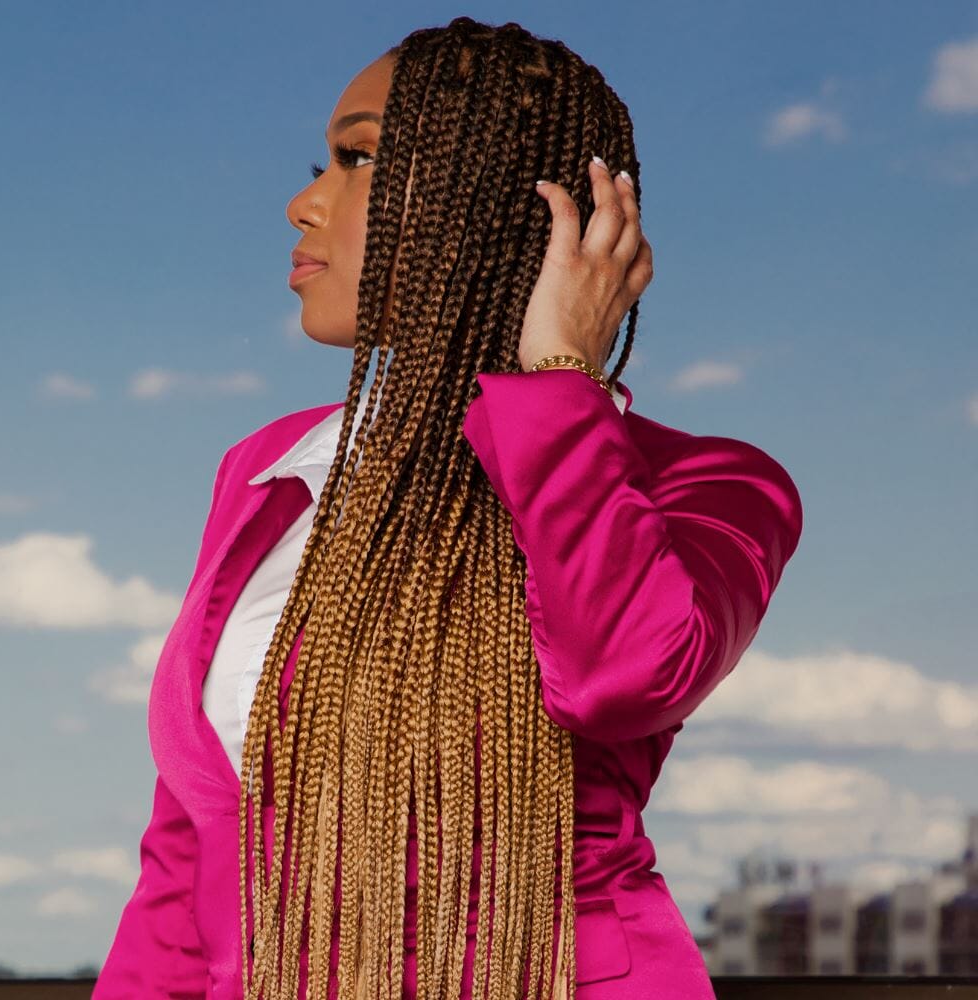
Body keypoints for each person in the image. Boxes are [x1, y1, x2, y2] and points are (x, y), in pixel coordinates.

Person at [94, 17, 803, 1000]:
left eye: (358, 159)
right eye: (321, 164)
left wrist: (560, 376)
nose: (305, 203)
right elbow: (183, 869)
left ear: (504, 206)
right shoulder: (269, 474)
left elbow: (620, 678)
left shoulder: (711, 485)